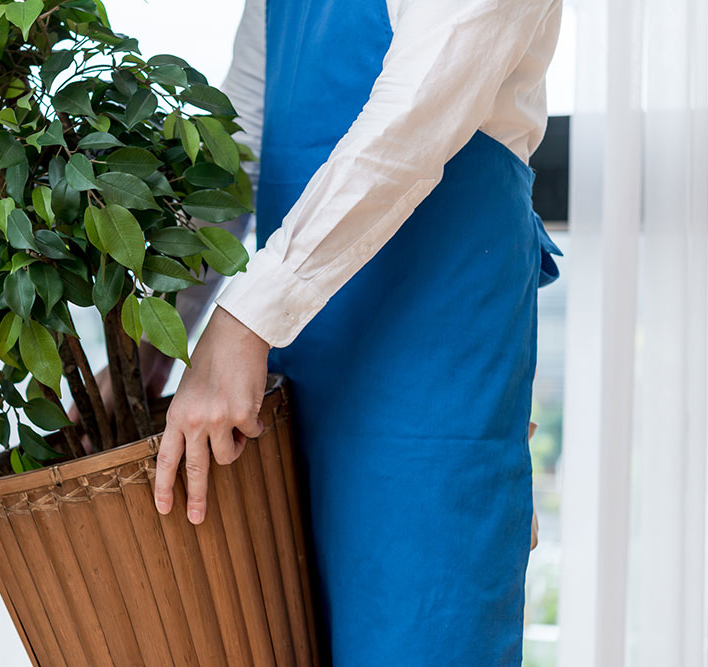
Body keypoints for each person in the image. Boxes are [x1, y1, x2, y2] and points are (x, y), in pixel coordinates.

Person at [145, 0, 563, 663]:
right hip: (287, 358)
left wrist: (246, 318)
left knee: (420, 633)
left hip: (431, 343)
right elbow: (239, 139)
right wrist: (154, 332)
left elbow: (415, 118)